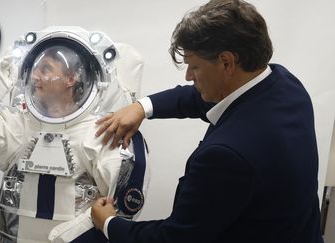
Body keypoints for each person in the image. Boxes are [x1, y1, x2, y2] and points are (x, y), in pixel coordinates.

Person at [91, 0, 324, 242]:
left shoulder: (227, 156)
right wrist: (142, 106)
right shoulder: (284, 85)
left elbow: (175, 239)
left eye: (194, 66)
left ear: (226, 62)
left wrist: (109, 223)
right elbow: (203, 98)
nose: (188, 76)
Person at [0, 26, 149, 243]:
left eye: (45, 69)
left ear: (71, 78)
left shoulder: (100, 131)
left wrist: (64, 238)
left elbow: (121, 208)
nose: (35, 75)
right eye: (35, 67)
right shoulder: (19, 127)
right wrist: (3, 71)